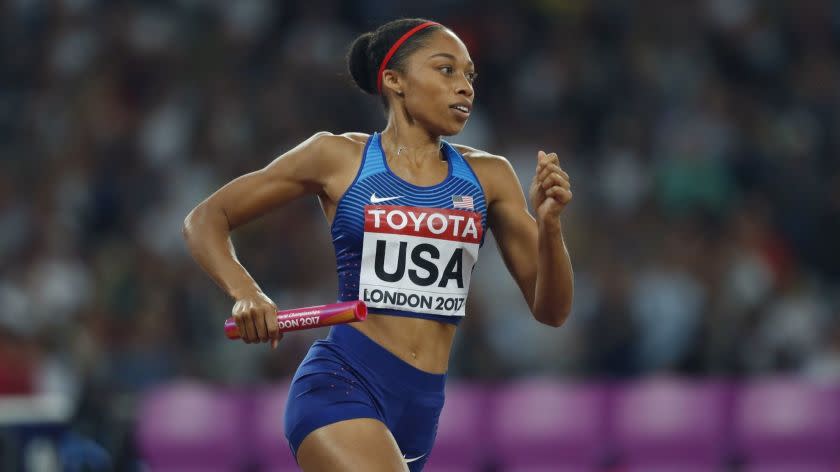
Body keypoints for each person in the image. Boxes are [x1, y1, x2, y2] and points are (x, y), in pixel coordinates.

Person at [183, 18, 573, 472]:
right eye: (446, 70)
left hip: (421, 409)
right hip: (341, 384)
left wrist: (550, 228)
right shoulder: (338, 157)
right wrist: (246, 291)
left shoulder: (490, 177)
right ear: (394, 81)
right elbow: (206, 218)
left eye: (470, 75)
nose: (465, 87)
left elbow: (553, 311)